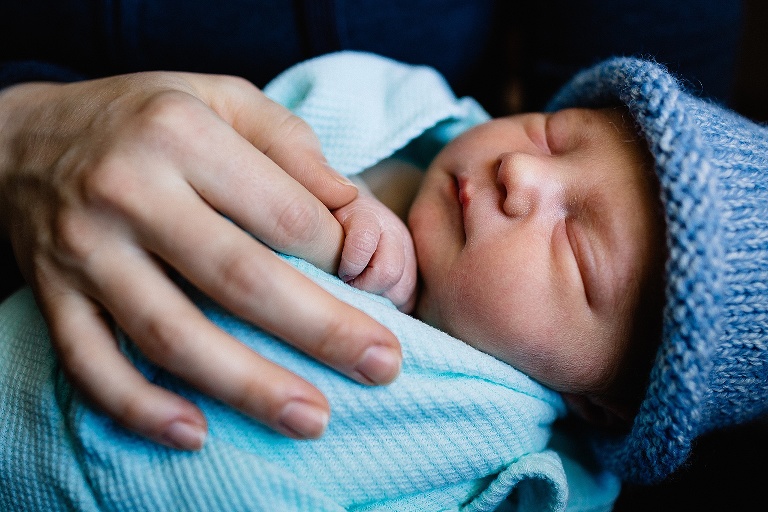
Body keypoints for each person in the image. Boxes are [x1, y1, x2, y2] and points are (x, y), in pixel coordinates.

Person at [0, 52, 765, 510]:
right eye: (553, 132)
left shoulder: (503, 465)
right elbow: (282, 118)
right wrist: (358, 187)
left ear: (600, 400)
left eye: (575, 246)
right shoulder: (405, 114)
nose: (523, 171)